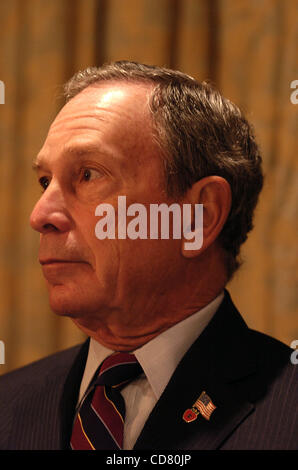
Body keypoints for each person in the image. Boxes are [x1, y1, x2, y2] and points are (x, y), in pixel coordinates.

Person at [0, 61, 296, 451]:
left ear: (198, 218)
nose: (39, 216)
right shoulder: (8, 403)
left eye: (88, 174)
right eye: (44, 181)